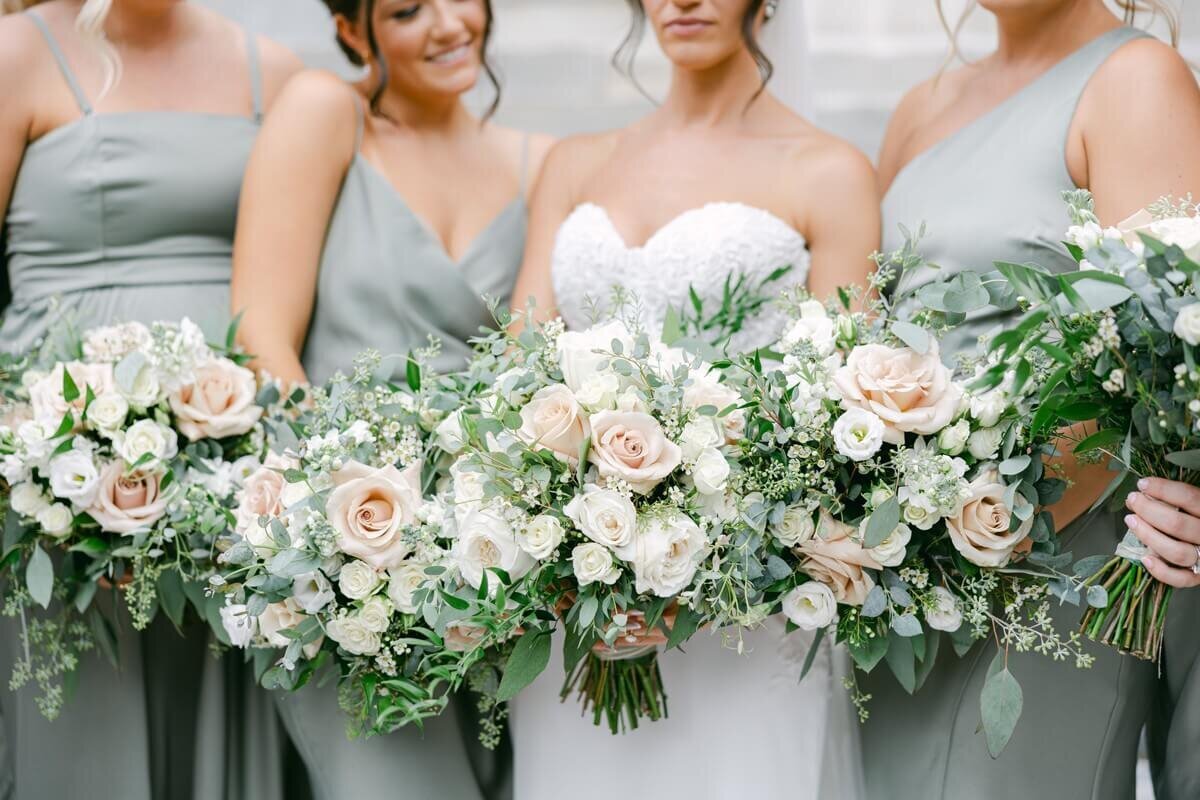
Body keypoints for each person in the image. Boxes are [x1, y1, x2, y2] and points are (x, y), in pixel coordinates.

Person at [505, 1, 879, 797]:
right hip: (587, 606)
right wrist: (575, 542)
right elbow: (516, 379)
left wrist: (705, 556)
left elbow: (841, 412)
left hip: (744, 612)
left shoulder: (829, 171)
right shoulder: (573, 164)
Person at [860, 2, 1200, 798]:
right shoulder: (920, 108)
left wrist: (973, 531)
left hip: (1049, 576)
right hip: (897, 596)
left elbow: (1156, 369)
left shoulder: (1136, 82)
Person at [230, 1, 551, 797]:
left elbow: (529, 368)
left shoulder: (540, 163)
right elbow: (260, 334)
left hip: (489, 566)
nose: (448, 25)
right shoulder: (326, 114)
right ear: (350, 29)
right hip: (345, 558)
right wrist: (351, 524)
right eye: (408, 9)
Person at [0, 0, 300, 798]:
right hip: (54, 469)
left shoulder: (277, 72)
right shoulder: (15, 54)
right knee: (85, 718)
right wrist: (37, 451)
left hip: (233, 470)